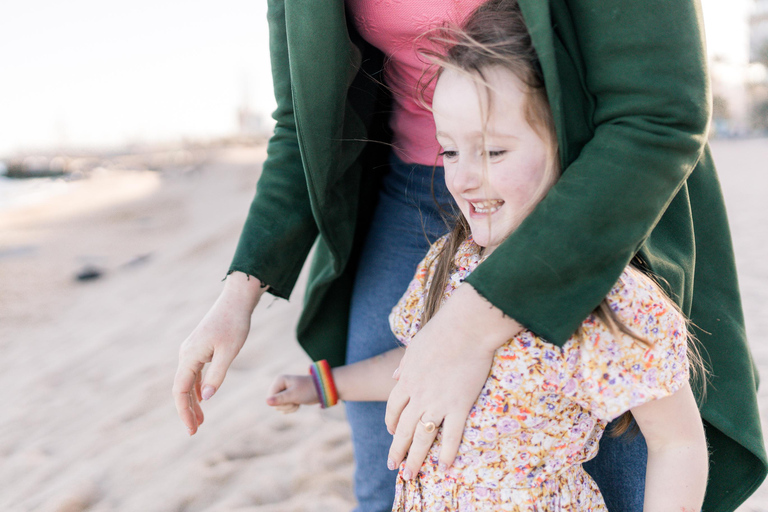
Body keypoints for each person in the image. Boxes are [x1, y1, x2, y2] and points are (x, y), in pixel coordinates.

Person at [173, 0, 767, 510]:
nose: (463, 179)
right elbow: (415, 361)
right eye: (452, 151)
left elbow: (676, 443)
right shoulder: (444, 266)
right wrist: (291, 352)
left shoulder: (620, 309)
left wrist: (474, 323)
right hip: (400, 189)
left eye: (492, 152)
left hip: (593, 206)